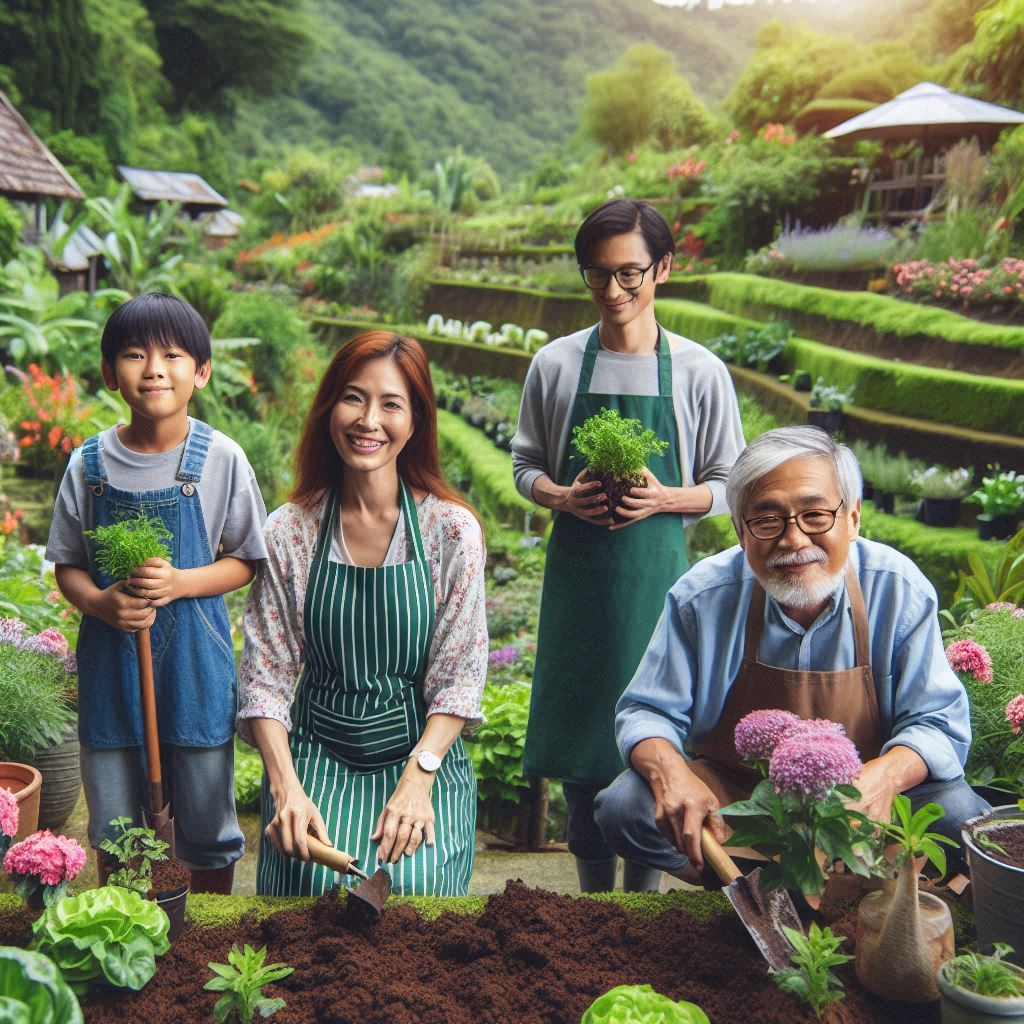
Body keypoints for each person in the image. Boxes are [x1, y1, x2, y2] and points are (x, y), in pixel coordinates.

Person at [594, 425, 988, 879]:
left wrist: (884, 778)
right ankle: (747, 891)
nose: (794, 540)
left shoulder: (898, 590)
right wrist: (672, 773)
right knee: (626, 806)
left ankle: (861, 889)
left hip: (861, 807)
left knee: (960, 815)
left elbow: (937, 721)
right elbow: (646, 711)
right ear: (741, 532)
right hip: (743, 804)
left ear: (854, 518)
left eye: (816, 515)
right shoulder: (703, 597)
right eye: (767, 520)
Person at [511, 198, 745, 892]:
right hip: (579, 580)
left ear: (663, 269)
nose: (613, 292)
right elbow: (525, 465)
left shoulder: (700, 372)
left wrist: (665, 497)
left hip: (659, 584)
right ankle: (592, 902)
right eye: (596, 275)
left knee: (657, 733)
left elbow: (731, 484)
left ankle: (640, 904)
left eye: (630, 275)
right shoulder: (555, 366)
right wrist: (559, 495)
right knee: (584, 742)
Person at [238, 331, 487, 897]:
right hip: (315, 756)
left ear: (416, 421)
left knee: (408, 884)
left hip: (417, 751)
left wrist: (419, 779)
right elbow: (264, 679)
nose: (368, 419)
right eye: (354, 398)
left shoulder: (450, 532)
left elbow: (459, 678)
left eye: (391, 404)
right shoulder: (290, 531)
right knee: (308, 874)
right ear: (330, 408)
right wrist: (285, 789)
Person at [47, 291, 268, 895]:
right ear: (109, 373)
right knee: (116, 825)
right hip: (110, 670)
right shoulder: (88, 465)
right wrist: (98, 602)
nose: (153, 369)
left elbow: (246, 559)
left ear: (201, 371)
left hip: (194, 668)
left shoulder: (220, 459)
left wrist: (181, 582)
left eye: (172, 355)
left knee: (205, 821)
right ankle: (122, 924)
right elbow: (67, 563)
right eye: (134, 354)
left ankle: (207, 929)